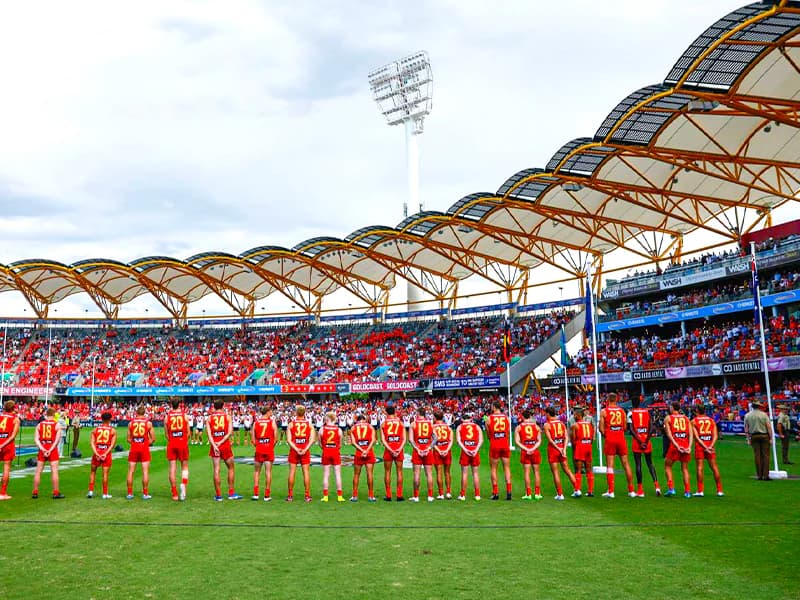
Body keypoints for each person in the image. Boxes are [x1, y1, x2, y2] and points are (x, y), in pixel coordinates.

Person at [598, 393, 635, 498]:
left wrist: (606, 435)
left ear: (608, 400)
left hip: (610, 438)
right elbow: (624, 427)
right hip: (620, 438)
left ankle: (611, 491)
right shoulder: (622, 411)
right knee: (626, 464)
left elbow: (601, 428)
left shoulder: (604, 411)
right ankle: (631, 490)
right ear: (617, 400)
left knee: (610, 465)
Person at [207, 399, 242, 501]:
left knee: (216, 470)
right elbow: (230, 432)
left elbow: (209, 435)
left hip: (215, 446)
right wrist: (221, 442)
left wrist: (214, 445)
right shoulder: (227, 417)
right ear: (223, 406)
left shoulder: (209, 418)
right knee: (231, 468)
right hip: (225, 444)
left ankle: (218, 495)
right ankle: (231, 493)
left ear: (214, 406)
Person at [543, 407, 578, 500]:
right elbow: (566, 437)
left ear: (548, 414)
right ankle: (577, 489)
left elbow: (550, 440)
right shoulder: (561, 423)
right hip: (562, 448)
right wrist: (564, 449)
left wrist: (558, 448)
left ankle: (560, 494)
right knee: (567, 470)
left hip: (553, 449)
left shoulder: (547, 425)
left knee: (555, 472)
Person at [629, 397, 660, 497]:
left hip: (637, 441)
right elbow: (651, 428)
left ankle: (640, 490)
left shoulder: (630, 413)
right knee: (650, 463)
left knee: (638, 464)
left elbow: (631, 430)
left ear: (632, 403)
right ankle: (657, 487)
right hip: (646, 440)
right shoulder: (646, 412)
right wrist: (646, 441)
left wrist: (640, 441)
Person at [691, 405, 724, 497]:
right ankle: (719, 490)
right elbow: (715, 435)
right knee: (714, 467)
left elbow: (696, 437)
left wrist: (705, 446)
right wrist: (710, 446)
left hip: (700, 446)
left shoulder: (694, 421)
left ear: (697, 411)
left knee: (700, 467)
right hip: (710, 445)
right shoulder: (711, 420)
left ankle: (700, 491)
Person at [32, 407, 64, 499]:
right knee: (54, 471)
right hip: (52, 449)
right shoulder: (57, 425)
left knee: (38, 471)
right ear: (54, 415)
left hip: (43, 448)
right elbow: (57, 440)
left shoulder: (40, 424)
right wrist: (49, 450)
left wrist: (43, 449)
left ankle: (35, 491)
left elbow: (36, 439)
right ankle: (56, 492)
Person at [663, 401, 694, 497]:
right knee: (684, 468)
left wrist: (676, 445)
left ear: (672, 408)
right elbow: (691, 434)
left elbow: (669, 434)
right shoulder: (686, 418)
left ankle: (671, 488)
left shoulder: (668, 418)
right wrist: (689, 447)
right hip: (685, 445)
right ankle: (687, 492)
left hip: (675, 446)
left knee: (667, 466)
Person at [287, 405, 316, 502]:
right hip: (305, 450)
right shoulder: (309, 424)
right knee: (306, 472)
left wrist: (296, 449)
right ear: (305, 413)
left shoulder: (291, 424)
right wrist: (304, 449)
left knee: (292, 472)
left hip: (294, 451)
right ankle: (307, 496)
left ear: (296, 412)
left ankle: (290, 496)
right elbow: (312, 440)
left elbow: (289, 440)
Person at [126, 405, 155, 500]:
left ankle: (130, 493)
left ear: (136, 413)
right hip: (144, 448)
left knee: (131, 471)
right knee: (145, 471)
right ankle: (145, 493)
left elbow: (128, 439)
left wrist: (135, 442)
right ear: (144, 413)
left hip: (134, 447)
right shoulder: (148, 423)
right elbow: (153, 439)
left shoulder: (131, 423)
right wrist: (146, 443)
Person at [485, 401, 512, 501]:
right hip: (504, 444)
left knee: (493, 469)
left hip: (495, 444)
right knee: (507, 468)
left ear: (494, 407)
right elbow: (508, 432)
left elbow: (488, 435)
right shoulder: (506, 418)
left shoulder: (489, 418)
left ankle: (495, 493)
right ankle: (509, 491)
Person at [164, 398, 190, 501]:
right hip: (182, 442)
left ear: (171, 405)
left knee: (172, 468)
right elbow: (188, 433)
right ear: (179, 404)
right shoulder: (185, 416)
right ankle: (183, 485)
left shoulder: (167, 417)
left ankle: (174, 493)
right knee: (184, 466)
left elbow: (166, 434)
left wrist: (172, 439)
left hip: (172, 443)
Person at [87, 411, 116, 499]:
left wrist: (96, 453)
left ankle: (90, 491)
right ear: (110, 419)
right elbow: (112, 445)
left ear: (101, 419)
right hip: (106, 453)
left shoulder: (95, 430)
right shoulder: (112, 430)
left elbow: (92, 443)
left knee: (93, 472)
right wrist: (105, 454)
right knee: (105, 474)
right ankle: (105, 493)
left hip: (97, 452)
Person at [251, 405, 278, 501]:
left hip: (259, 449)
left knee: (257, 471)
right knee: (268, 471)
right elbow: (276, 437)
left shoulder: (256, 423)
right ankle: (267, 495)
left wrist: (258, 446)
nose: (271, 413)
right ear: (267, 412)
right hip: (268, 449)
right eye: (270, 411)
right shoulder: (272, 422)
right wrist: (270, 446)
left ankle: (256, 494)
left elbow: (253, 439)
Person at [514, 410, 542, 500]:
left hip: (525, 451)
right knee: (536, 472)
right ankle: (537, 493)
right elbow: (539, 441)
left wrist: (527, 449)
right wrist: (533, 448)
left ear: (522, 417)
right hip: (535, 450)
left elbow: (517, 441)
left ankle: (528, 494)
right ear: (530, 416)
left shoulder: (519, 427)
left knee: (527, 472)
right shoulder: (536, 427)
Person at [380, 404, 406, 501]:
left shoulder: (383, 424)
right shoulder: (400, 423)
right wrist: (399, 449)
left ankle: (388, 495)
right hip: (399, 448)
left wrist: (390, 450)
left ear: (386, 413)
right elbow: (404, 439)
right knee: (399, 472)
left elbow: (383, 440)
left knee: (387, 472)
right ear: (394, 412)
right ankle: (399, 495)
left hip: (388, 449)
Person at [409, 406, 435, 502]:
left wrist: (417, 448)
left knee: (416, 474)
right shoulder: (430, 423)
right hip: (428, 451)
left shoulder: (413, 424)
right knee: (429, 474)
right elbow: (435, 438)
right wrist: (428, 448)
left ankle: (416, 497)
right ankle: (430, 496)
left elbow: (411, 439)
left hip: (417, 451)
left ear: (418, 413)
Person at [349, 412, 377, 502]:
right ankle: (371, 495)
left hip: (359, 453)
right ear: (364, 419)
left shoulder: (353, 428)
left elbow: (353, 442)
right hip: (369, 452)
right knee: (370, 474)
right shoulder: (370, 426)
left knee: (356, 474)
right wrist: (367, 450)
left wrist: (361, 450)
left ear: (357, 420)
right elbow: (373, 440)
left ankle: (354, 496)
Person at [455, 412, 483, 501]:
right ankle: (477, 495)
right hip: (475, 451)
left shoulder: (460, 427)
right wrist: (475, 449)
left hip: (465, 451)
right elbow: (481, 440)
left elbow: (459, 441)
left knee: (464, 473)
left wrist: (465, 449)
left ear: (462, 420)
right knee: (475, 473)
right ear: (471, 419)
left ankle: (463, 495)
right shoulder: (477, 427)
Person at [744, 400, 774, 481]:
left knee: (757, 456)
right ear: (759, 406)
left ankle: (759, 475)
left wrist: (748, 438)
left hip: (754, 436)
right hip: (764, 435)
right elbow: (768, 427)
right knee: (766, 456)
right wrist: (771, 438)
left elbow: (746, 428)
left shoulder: (747, 415)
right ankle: (765, 475)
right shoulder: (764, 415)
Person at [318, 411, 343, 502]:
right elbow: (340, 444)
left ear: (327, 418)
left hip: (326, 452)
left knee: (326, 474)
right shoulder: (338, 429)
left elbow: (320, 443)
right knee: (337, 474)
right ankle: (339, 496)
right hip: (335, 451)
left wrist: (325, 448)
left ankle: (325, 496)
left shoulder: (322, 429)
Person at [570, 408, 595, 497]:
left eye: (575, 414)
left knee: (578, 469)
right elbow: (592, 437)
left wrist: (575, 448)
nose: (574, 416)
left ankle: (577, 490)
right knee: (589, 468)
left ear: (578, 415)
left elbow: (573, 440)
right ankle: (590, 491)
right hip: (588, 446)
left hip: (580, 447)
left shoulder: (575, 425)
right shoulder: (589, 424)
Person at [0, 400, 21, 500]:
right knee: (6, 468)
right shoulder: (15, 419)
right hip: (7, 445)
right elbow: (13, 436)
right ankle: (3, 493)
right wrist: (3, 445)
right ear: (13, 408)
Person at [432, 410, 453, 499]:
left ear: (435, 418)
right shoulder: (448, 427)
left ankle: (441, 493)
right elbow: (451, 440)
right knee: (447, 472)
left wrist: (439, 450)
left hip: (438, 451)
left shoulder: (433, 427)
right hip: (447, 450)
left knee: (439, 473)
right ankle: (448, 492)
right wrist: (446, 450)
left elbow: (432, 442)